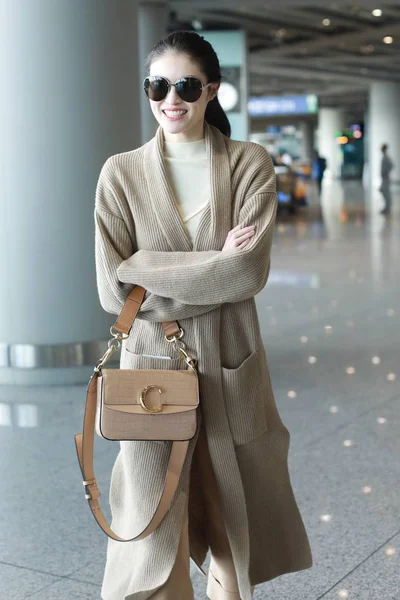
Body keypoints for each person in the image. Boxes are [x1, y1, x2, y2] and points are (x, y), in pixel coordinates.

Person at [94, 30, 312, 600]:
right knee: (152, 521)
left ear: (212, 89)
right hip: (150, 370)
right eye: (158, 85)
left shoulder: (247, 165)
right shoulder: (120, 174)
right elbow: (110, 291)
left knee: (231, 518)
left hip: (230, 362)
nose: (172, 98)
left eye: (186, 85)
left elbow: (248, 275)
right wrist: (214, 261)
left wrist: (145, 269)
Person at [379, 143, 394, 215]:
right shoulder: (384, 157)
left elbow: (391, 165)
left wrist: (387, 173)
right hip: (384, 178)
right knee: (383, 191)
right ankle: (386, 207)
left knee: (386, 193)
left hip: (386, 178)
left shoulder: (386, 157)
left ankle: (388, 208)